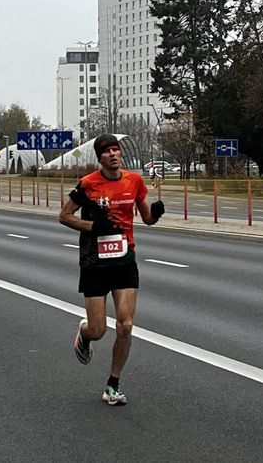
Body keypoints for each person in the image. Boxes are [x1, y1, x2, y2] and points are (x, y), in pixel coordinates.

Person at [59, 134, 165, 406]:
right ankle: (84, 333)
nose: (114, 155)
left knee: (126, 325)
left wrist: (157, 212)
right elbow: (64, 216)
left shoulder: (134, 181)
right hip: (95, 262)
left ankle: (112, 385)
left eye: (117, 151)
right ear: (100, 157)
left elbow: (148, 219)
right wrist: (94, 227)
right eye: (108, 152)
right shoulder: (88, 184)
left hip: (124, 259)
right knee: (99, 330)